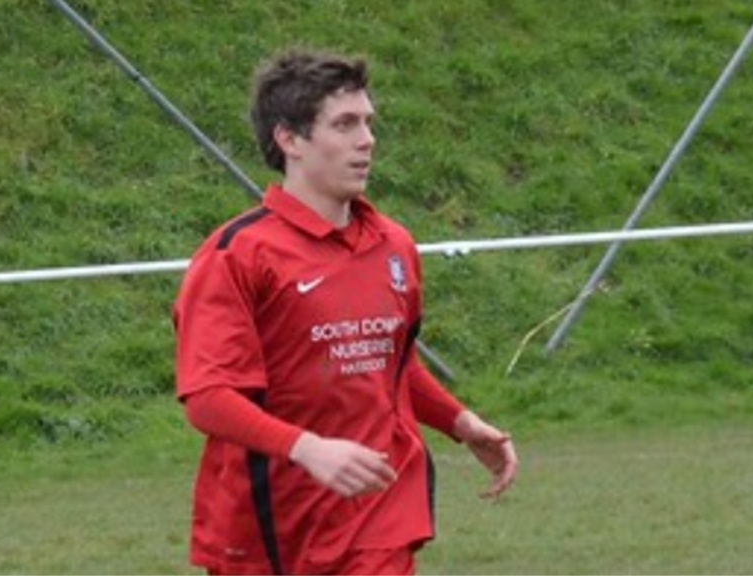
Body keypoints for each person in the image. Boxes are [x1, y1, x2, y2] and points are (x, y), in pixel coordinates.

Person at [172, 49, 518, 576]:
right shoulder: (237, 255)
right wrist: (306, 449)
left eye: (368, 122)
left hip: (379, 510)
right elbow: (208, 397)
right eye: (345, 124)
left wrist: (459, 421)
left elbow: (391, 365)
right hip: (272, 527)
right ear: (290, 140)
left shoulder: (393, 245)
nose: (367, 140)